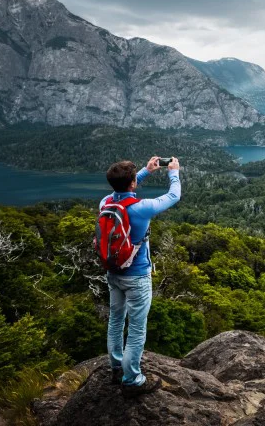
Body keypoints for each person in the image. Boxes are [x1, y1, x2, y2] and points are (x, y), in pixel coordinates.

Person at [100, 156, 180, 396]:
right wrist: (173, 172)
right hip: (137, 276)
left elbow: (122, 190)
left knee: (115, 320)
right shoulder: (142, 208)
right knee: (136, 328)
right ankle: (132, 379)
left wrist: (145, 171)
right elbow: (173, 196)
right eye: (135, 180)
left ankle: (116, 367)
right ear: (133, 183)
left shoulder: (105, 203)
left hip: (113, 272)